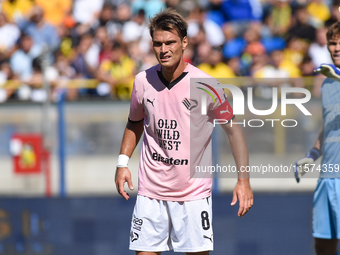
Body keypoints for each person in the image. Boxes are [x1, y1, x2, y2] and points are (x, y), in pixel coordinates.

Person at [115, 8, 253, 255]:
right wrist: (122, 163)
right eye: (158, 44)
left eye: (170, 42)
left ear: (184, 42)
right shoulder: (142, 81)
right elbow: (134, 122)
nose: (164, 49)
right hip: (150, 193)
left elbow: (234, 132)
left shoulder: (207, 85)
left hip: (193, 195)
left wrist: (243, 181)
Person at [294, 21, 340, 255]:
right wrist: (311, 156)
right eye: (332, 43)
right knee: (323, 246)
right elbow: (329, 128)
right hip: (327, 177)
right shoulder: (328, 83)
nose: (337, 48)